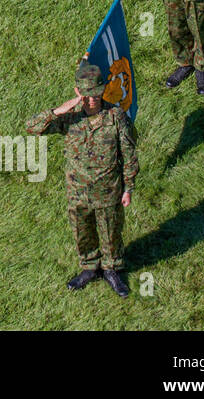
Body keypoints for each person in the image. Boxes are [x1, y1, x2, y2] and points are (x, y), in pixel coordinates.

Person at [25, 62, 138, 298]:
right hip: (78, 192)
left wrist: (128, 188)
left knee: (111, 232)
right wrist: (60, 110)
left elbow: (128, 153)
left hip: (109, 190)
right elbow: (32, 127)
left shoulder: (116, 116)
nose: (91, 101)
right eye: (86, 96)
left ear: (102, 90)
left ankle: (112, 269)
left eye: (95, 95)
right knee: (82, 232)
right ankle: (89, 267)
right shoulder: (70, 119)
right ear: (78, 93)